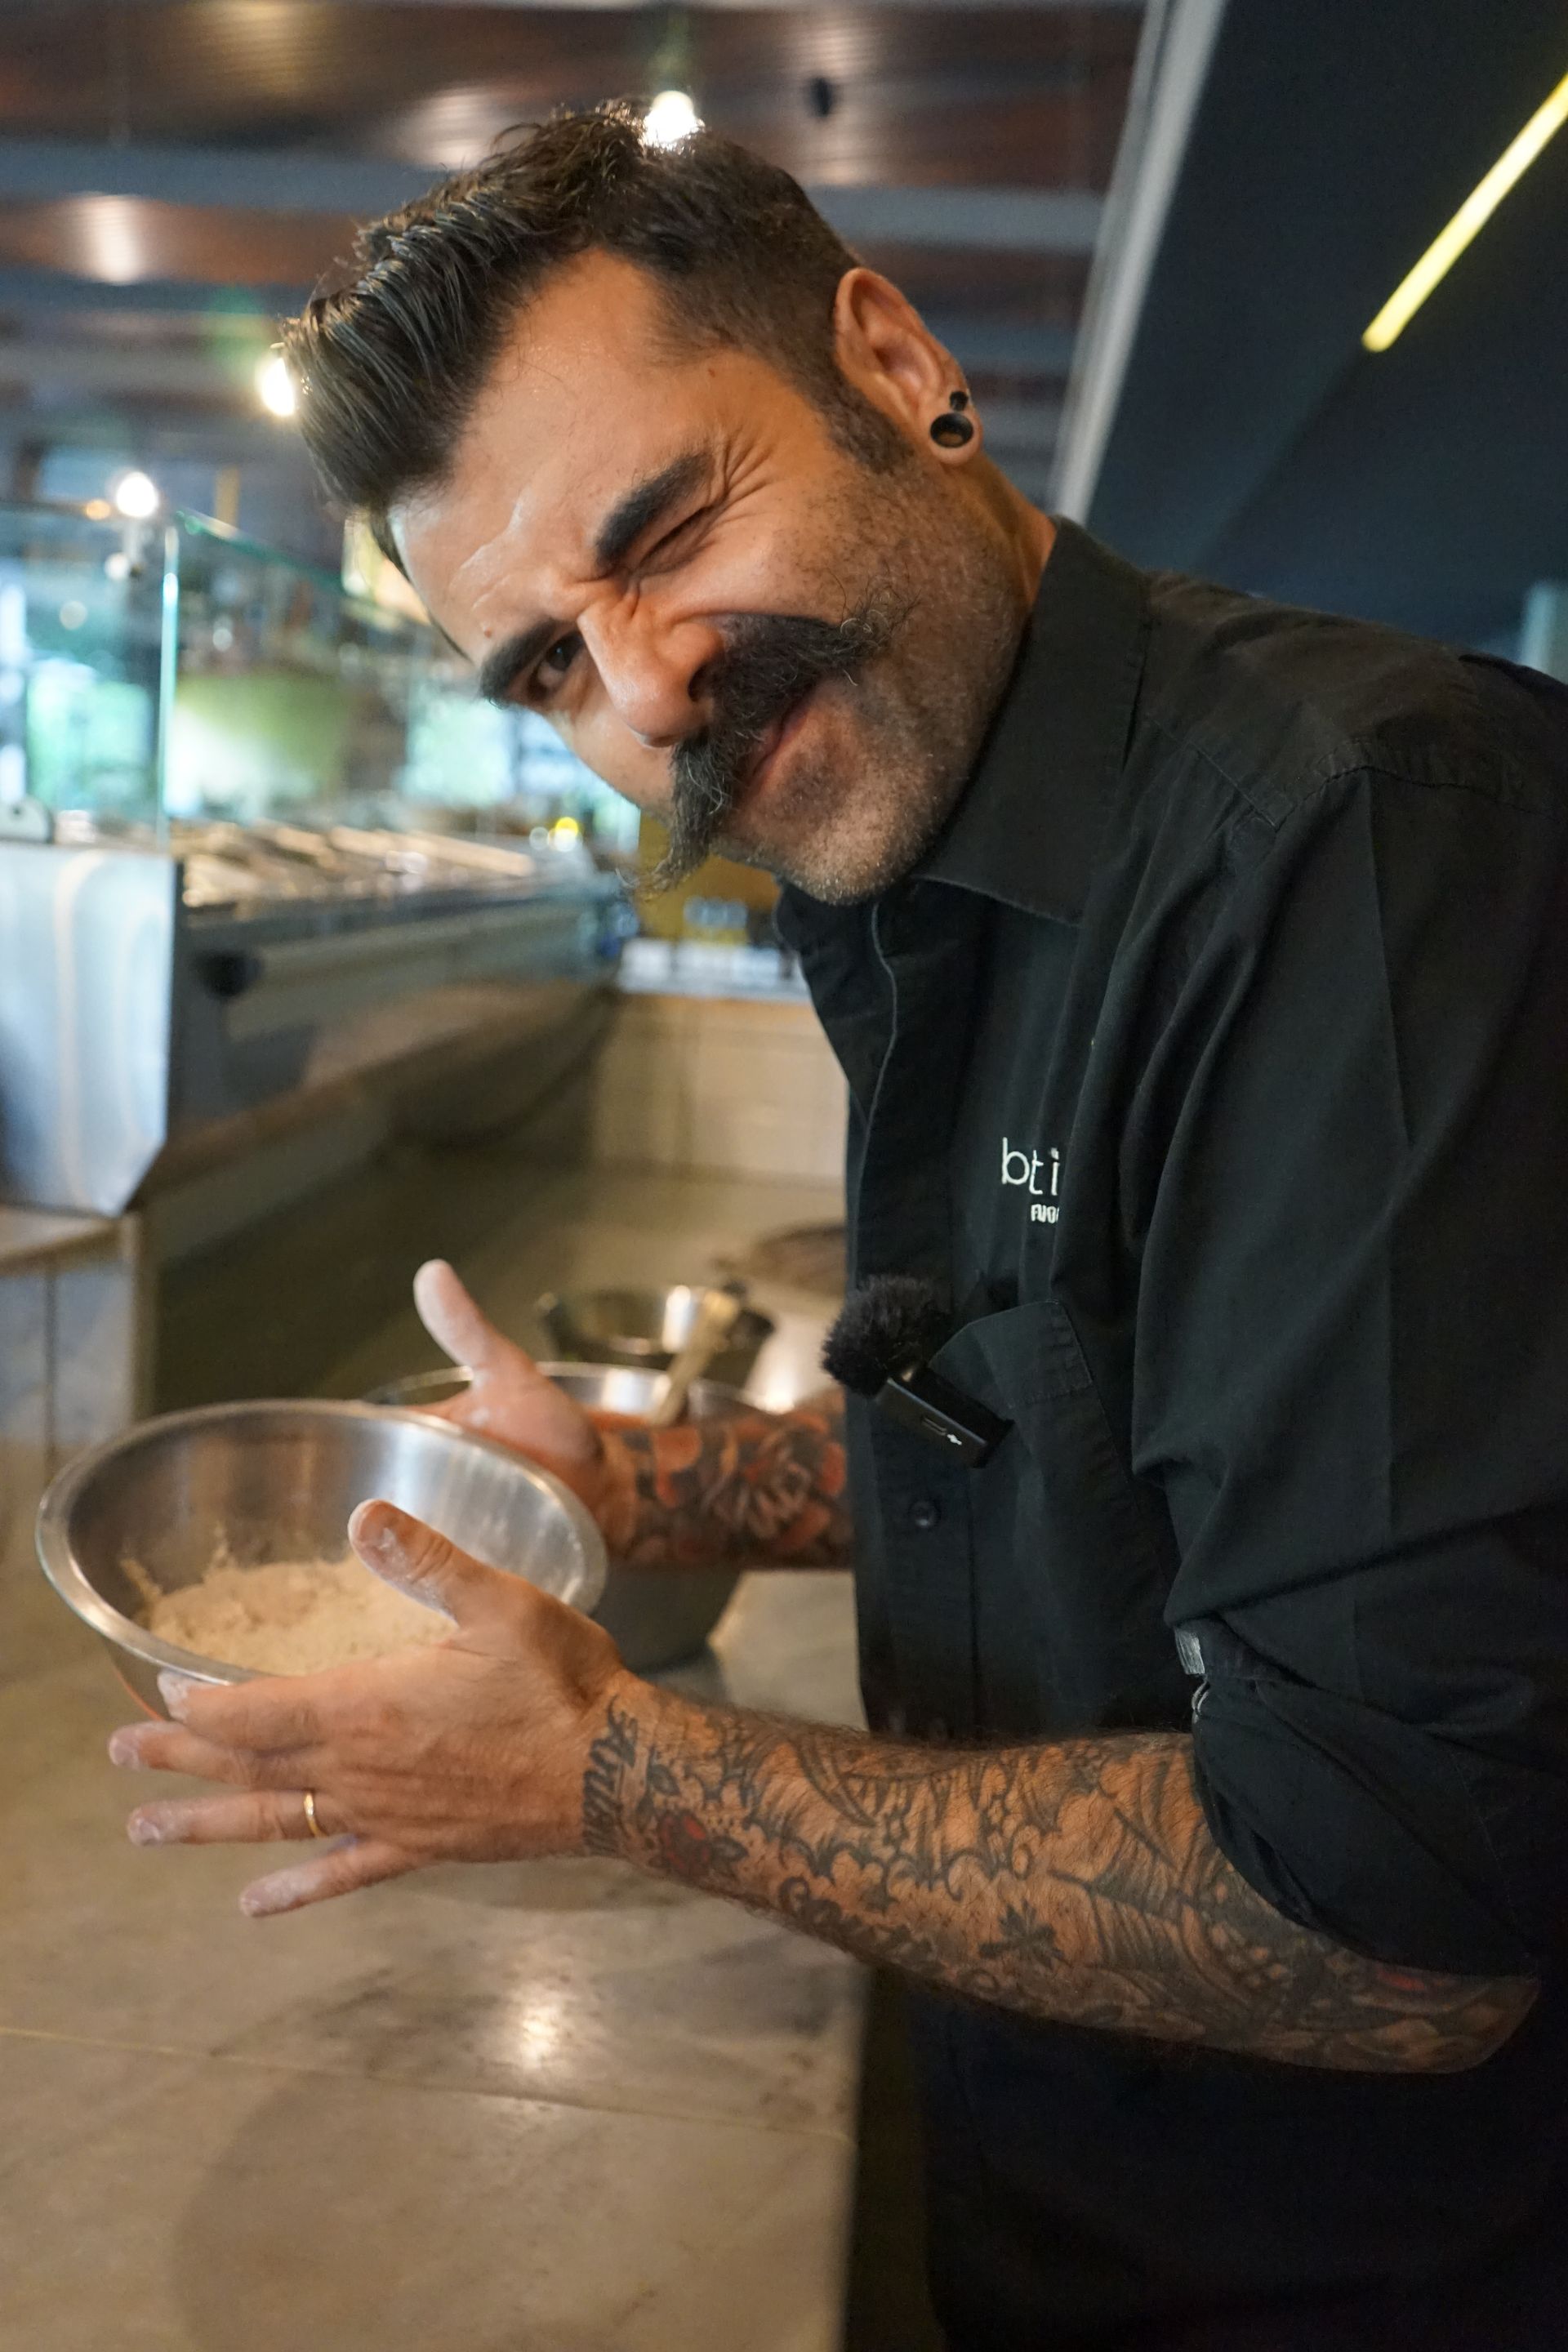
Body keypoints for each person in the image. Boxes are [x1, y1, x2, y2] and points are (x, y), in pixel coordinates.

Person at [109, 108, 1568, 2349]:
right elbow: (1080, 1418)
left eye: (667, 528)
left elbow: (1391, 1925)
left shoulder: (1355, 854)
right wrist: (651, 1483)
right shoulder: (894, 833)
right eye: (544, 671)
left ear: (894, 365)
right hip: (1052, 2174)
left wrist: (600, 1763)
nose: (648, 686)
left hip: (1344, 2270)